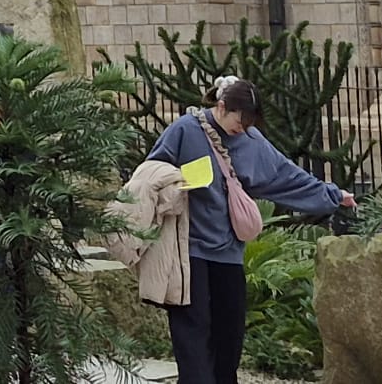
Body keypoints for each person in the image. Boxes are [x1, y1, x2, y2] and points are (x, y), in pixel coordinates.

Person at [148, 76, 354, 384]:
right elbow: (150, 173)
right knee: (192, 331)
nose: (242, 130)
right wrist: (178, 181)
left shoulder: (252, 140)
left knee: (229, 334)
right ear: (221, 107)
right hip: (188, 249)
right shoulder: (185, 130)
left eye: (248, 125)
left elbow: (287, 176)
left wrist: (333, 195)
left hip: (228, 251)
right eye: (238, 123)